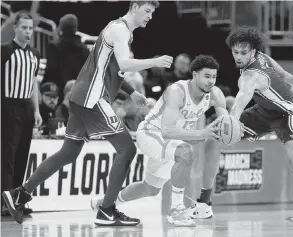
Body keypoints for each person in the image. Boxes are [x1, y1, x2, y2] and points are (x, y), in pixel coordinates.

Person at [2, 0, 174, 226]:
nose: (150, 16)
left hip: (81, 97)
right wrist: (154, 62)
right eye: (147, 11)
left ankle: (18, 195)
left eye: (152, 13)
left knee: (68, 152)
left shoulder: (121, 31)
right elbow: (123, 62)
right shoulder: (119, 30)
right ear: (134, 7)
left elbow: (113, 68)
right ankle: (107, 209)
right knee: (127, 149)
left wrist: (131, 92)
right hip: (92, 99)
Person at [198, 26, 293, 225]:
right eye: (235, 52)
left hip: (288, 113)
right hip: (263, 112)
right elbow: (285, 76)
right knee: (213, 142)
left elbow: (243, 98)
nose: (238, 57)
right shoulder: (259, 58)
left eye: (243, 53)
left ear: (253, 51)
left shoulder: (251, 74)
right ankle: (204, 203)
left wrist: (232, 119)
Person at [91, 55, 228, 226]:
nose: (211, 81)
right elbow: (167, 130)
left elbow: (227, 123)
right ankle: (176, 209)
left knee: (150, 188)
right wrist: (202, 133)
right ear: (194, 75)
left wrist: (230, 129)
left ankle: (104, 203)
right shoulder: (176, 92)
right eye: (206, 76)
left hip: (172, 141)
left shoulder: (215, 94)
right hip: (151, 133)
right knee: (185, 153)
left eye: (214, 77)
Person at [1, 11, 42, 216]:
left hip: (26, 106)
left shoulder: (35, 54)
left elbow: (34, 83)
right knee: (7, 155)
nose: (28, 31)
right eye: (24, 27)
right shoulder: (5, 51)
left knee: (22, 155)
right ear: (15, 28)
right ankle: (4, 201)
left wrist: (36, 110)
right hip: (8, 105)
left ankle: (16, 200)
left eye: (30, 28)